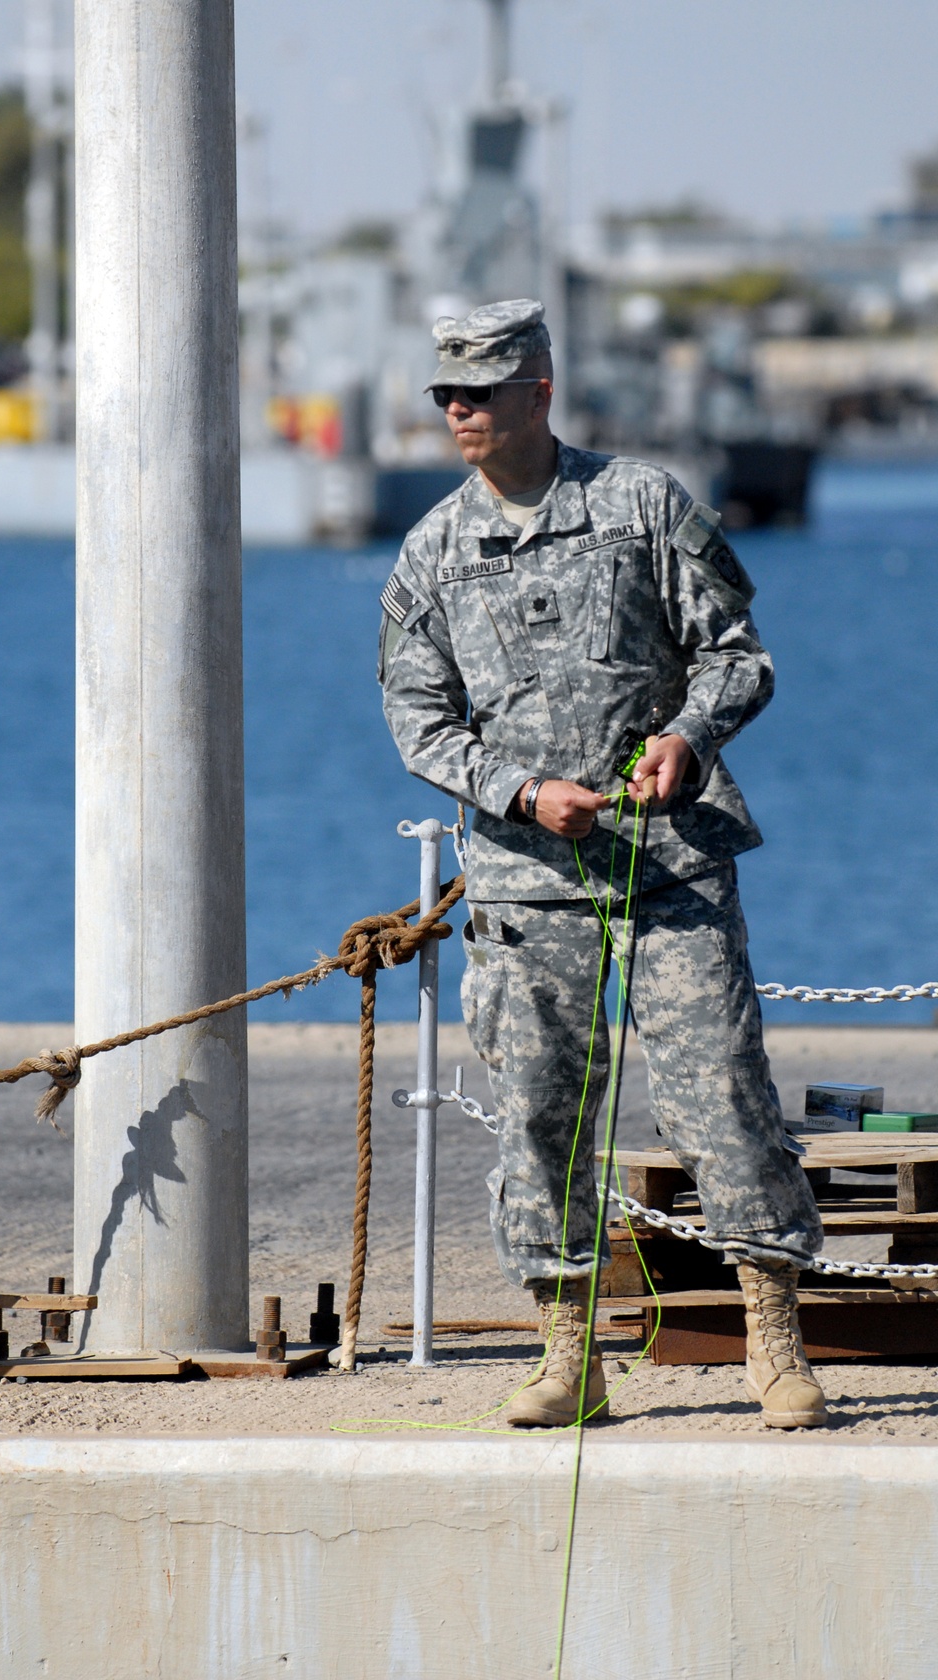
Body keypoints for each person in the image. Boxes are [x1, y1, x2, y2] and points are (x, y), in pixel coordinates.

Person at [378, 298, 826, 1430]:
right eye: (445, 397)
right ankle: (566, 1352)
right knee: (539, 1111)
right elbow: (418, 722)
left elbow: (736, 656)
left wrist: (686, 737)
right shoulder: (432, 552)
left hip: (668, 861)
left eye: (479, 392)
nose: (459, 413)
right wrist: (523, 794)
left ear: (539, 390)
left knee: (719, 1090)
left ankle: (775, 1342)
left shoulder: (639, 504)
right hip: (527, 880)